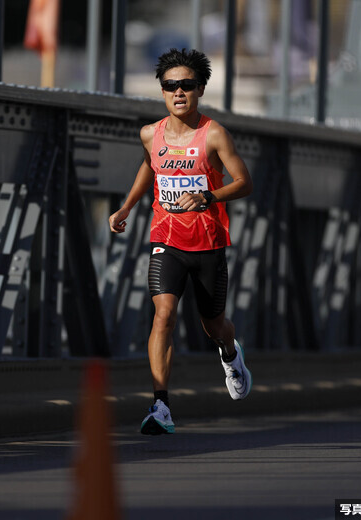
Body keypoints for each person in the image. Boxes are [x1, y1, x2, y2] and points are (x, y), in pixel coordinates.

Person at [109, 48, 254, 435]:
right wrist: (126, 207)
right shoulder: (149, 134)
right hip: (166, 240)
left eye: (186, 85)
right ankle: (161, 405)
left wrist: (208, 196)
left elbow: (244, 182)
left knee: (214, 325)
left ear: (200, 89)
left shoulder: (214, 134)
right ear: (162, 91)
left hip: (207, 242)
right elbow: (148, 165)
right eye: (170, 85)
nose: (178, 92)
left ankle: (229, 353)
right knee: (164, 315)